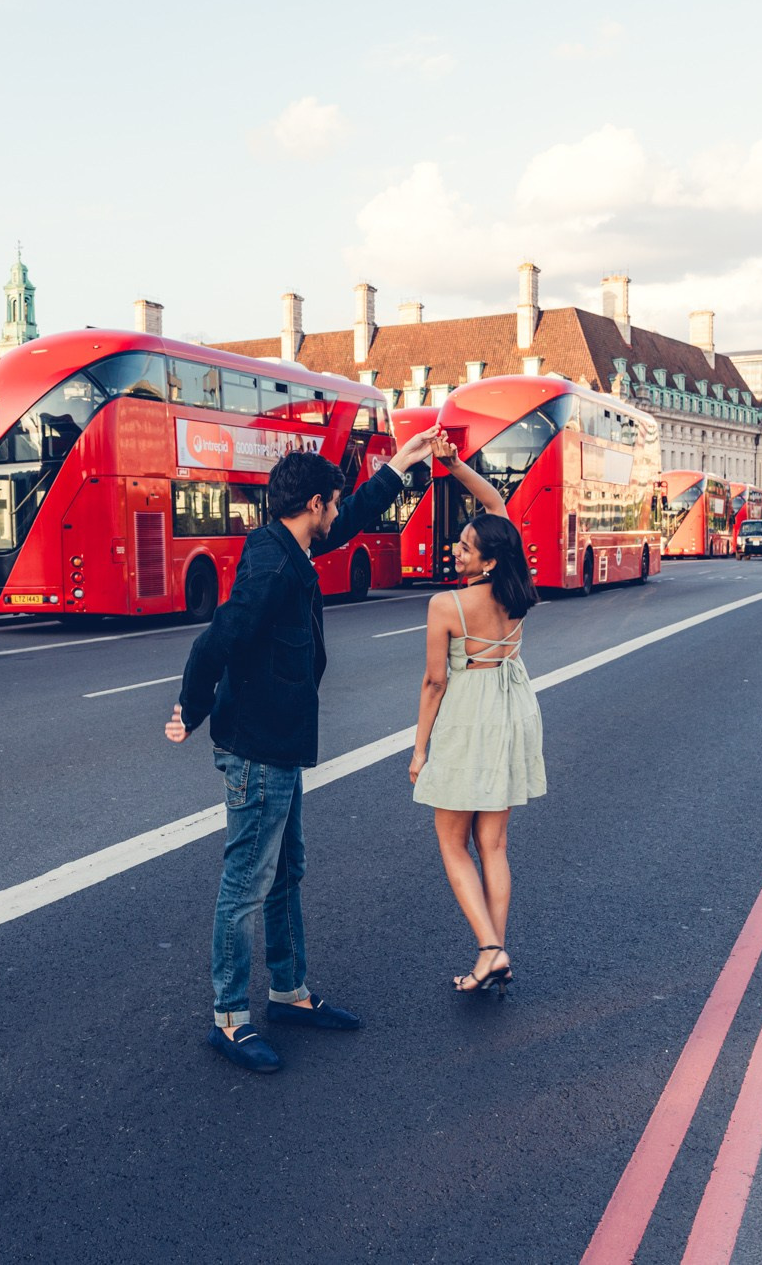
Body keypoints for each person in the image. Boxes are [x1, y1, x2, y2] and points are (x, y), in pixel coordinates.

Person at [167, 428, 440, 1074]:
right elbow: (218, 639)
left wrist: (399, 465)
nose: (335, 514)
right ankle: (229, 1018)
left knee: (285, 871)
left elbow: (351, 520)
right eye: (331, 503)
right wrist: (191, 706)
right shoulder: (270, 563)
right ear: (312, 502)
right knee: (247, 880)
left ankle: (288, 991)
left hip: (278, 746)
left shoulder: (290, 543)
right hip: (258, 749)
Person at [411, 434, 545, 997]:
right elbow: (496, 508)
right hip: (512, 709)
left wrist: (420, 750)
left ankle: (490, 949)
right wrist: (455, 465)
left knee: (450, 841)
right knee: (493, 845)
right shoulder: (513, 586)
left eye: (466, 548)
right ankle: (495, 951)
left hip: (468, 715)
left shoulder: (448, 604)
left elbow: (435, 683)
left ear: (488, 558)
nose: (456, 551)